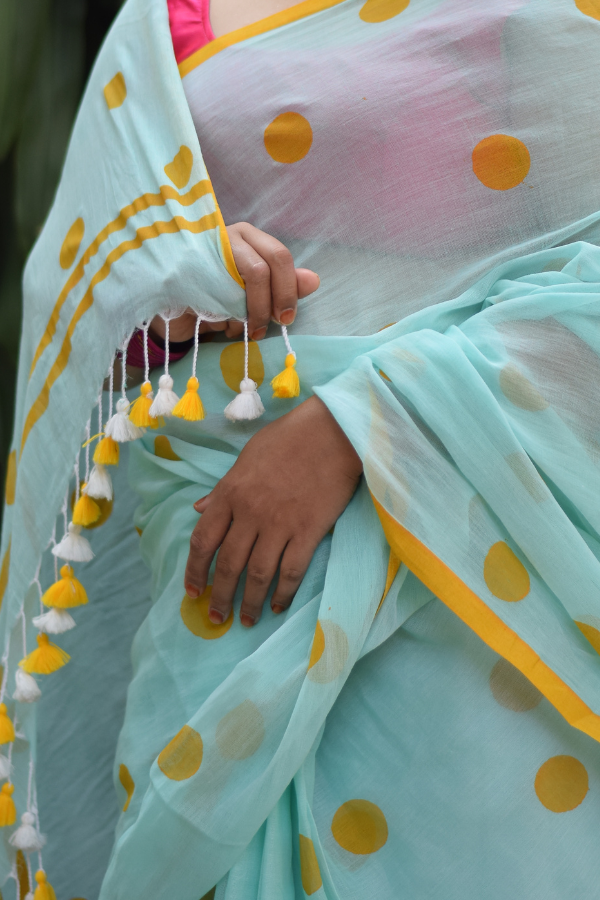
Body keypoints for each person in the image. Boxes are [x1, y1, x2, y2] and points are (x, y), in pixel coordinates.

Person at [2, 0, 600, 898]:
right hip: (227, 583)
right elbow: (87, 305)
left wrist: (361, 424)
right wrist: (181, 286)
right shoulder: (168, 20)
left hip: (483, 555)